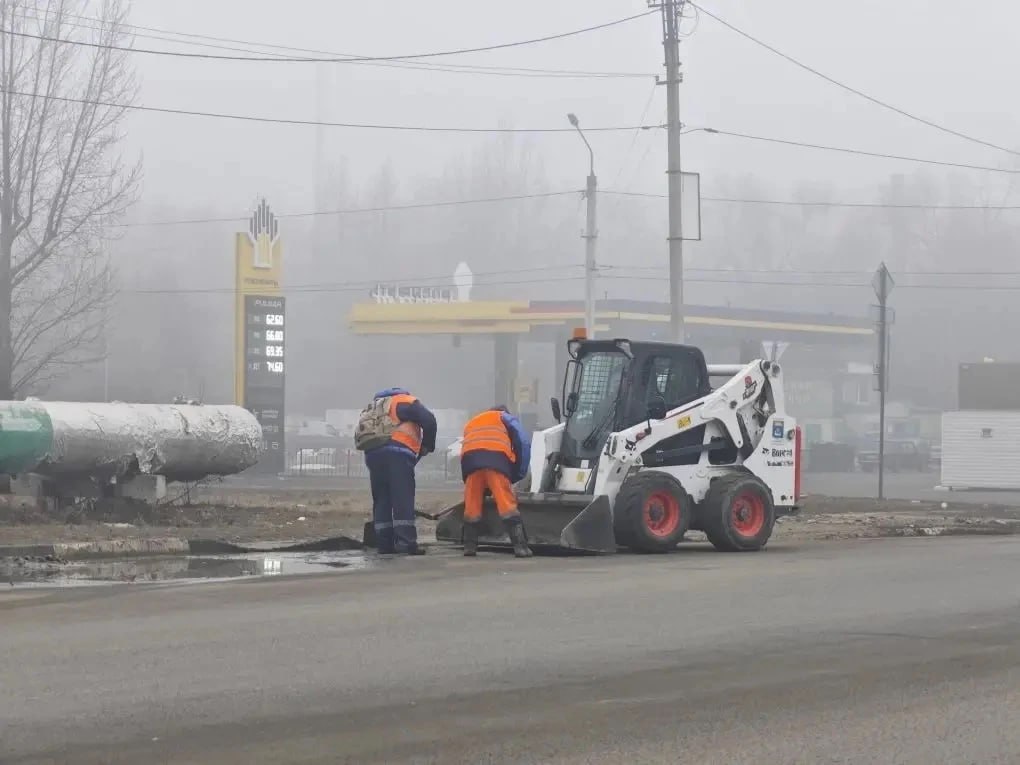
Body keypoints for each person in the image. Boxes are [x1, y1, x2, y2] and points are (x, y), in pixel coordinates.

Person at [358, 387, 437, 555]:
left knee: (381, 498)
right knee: (402, 497)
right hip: (397, 453)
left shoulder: (373, 407)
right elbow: (429, 420)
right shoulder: (403, 401)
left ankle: (384, 544)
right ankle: (406, 543)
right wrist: (427, 446)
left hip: (372, 454)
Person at [459, 405, 532, 558]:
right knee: (506, 504)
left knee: (471, 506)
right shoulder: (504, 417)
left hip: (471, 464)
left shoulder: (472, 422)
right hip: (496, 462)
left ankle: (469, 547)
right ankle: (520, 547)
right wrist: (518, 472)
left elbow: (467, 447)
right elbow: (523, 441)